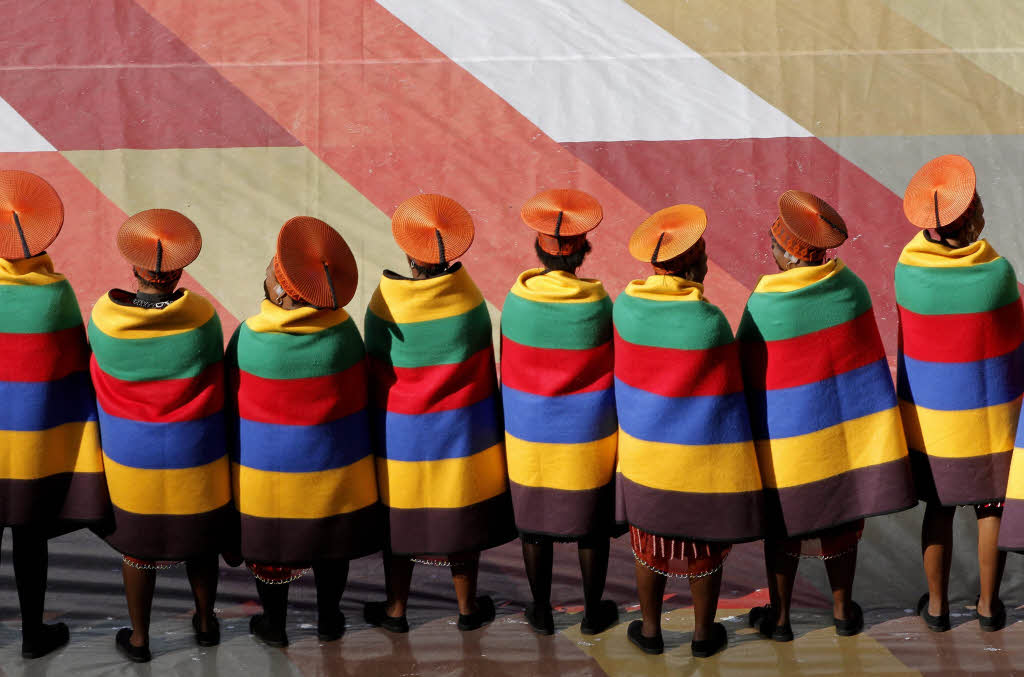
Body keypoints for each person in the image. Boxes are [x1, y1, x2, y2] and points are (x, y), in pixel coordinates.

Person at [738, 190, 915, 641]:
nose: (772, 253)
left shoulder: (765, 303)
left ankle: (779, 619)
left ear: (790, 255)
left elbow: (747, 371)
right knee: (842, 518)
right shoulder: (850, 288)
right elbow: (864, 368)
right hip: (843, 438)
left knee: (783, 529)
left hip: (788, 444)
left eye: (776, 247)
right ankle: (842, 612)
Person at [614, 205, 763, 658]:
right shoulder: (708, 322)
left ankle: (652, 631)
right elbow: (726, 396)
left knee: (649, 545)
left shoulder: (625, 307)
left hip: (646, 461)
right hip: (698, 466)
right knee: (704, 550)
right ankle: (702, 636)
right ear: (694, 265)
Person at [362, 194, 516, 632]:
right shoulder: (468, 299)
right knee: (460, 513)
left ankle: (396, 609)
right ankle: (467, 609)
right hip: (459, 429)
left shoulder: (384, 302)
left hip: (403, 433)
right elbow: (481, 368)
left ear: (410, 254)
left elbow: (376, 369)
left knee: (401, 519)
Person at [231, 216, 381, 647]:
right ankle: (329, 618)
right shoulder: (344, 333)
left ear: (280, 290)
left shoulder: (248, 339)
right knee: (330, 547)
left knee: (272, 552)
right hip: (331, 469)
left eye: (270, 270)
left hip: (271, 476)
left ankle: (274, 626)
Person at [89, 209, 232, 662]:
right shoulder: (202, 316)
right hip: (195, 448)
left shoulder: (105, 320)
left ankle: (140, 638)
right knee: (201, 539)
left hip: (133, 452)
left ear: (134, 268)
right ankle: (207, 621)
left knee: (138, 546)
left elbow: (97, 372)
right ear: (179, 271)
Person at [896, 155, 1024, 632]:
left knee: (940, 507)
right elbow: (1014, 347)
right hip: (989, 419)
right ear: (969, 217)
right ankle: (990, 609)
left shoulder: (908, 270)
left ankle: (937, 607)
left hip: (935, 424)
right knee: (991, 506)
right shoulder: (997, 274)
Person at [500, 188, 619, 636]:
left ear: (539, 250)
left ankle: (542, 610)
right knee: (590, 524)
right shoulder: (597, 304)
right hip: (586, 432)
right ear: (583, 253)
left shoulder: (517, 301)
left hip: (530, 431)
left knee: (534, 526)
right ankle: (592, 613)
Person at [0, 170, 109, 658]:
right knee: (29, 538)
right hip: (33, 448)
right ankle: (31, 636)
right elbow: (70, 369)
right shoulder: (54, 293)